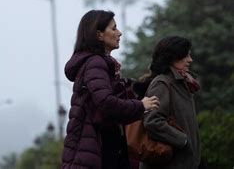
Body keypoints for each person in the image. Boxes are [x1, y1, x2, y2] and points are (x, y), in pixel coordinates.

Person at [62, 10, 159, 169]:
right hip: (97, 150)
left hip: (99, 147)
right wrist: (141, 105)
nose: (119, 33)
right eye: (113, 29)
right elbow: (105, 103)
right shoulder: (95, 63)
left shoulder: (100, 63)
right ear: (99, 35)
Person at [140, 36, 201, 169]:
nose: (190, 60)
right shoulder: (162, 83)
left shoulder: (182, 83)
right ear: (173, 57)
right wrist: (183, 140)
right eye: (186, 55)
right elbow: (152, 121)